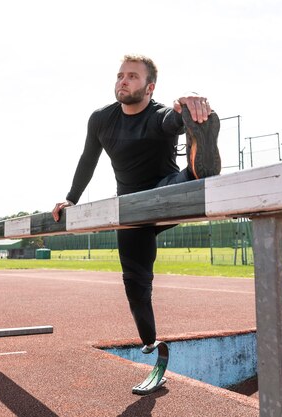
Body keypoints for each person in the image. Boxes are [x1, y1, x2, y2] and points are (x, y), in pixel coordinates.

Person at [52, 54, 220, 354]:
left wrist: (186, 108)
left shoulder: (160, 116)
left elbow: (173, 121)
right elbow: (88, 159)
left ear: (150, 87)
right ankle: (151, 346)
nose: (123, 81)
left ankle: (199, 158)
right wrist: (71, 198)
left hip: (163, 196)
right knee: (136, 288)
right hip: (129, 213)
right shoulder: (101, 119)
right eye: (120, 75)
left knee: (184, 182)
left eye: (132, 76)